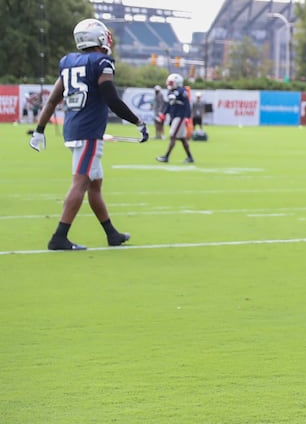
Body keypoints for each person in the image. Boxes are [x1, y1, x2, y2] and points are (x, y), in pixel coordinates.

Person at [28, 18, 149, 250]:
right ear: (99, 37)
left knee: (94, 185)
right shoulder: (101, 62)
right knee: (81, 183)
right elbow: (111, 98)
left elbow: (54, 98)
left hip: (74, 129)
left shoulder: (69, 62)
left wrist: (40, 129)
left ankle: (112, 234)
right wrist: (138, 121)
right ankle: (59, 237)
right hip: (89, 132)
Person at [156, 73, 195, 163]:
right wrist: (164, 114)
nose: (169, 85)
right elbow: (169, 105)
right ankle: (190, 158)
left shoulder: (182, 91)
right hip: (175, 117)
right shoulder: (171, 92)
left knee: (173, 135)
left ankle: (166, 156)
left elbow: (187, 105)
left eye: (171, 83)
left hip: (180, 117)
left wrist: (187, 117)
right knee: (182, 138)